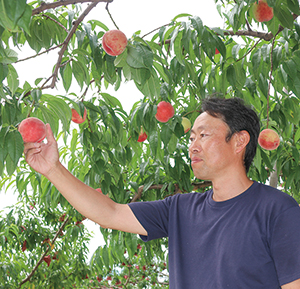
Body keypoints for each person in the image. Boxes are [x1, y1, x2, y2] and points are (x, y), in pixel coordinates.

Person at [24, 97, 300, 289]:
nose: (192, 146)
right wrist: (53, 169)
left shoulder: (277, 210)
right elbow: (110, 212)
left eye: (203, 136)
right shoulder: (180, 209)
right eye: (191, 138)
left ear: (239, 140)